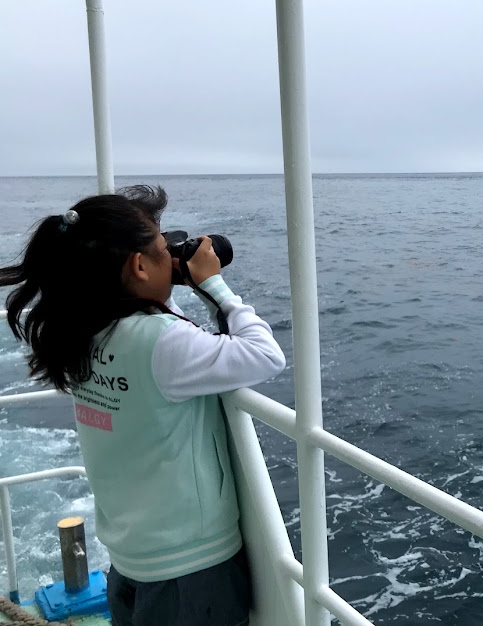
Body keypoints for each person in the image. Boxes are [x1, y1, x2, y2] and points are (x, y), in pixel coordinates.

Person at [0, 185, 286, 626]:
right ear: (137, 266)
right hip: (190, 565)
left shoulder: (80, 331)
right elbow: (266, 355)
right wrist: (214, 285)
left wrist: (161, 278)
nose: (170, 254)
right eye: (160, 248)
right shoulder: (163, 343)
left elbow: (150, 324)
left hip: (131, 555)